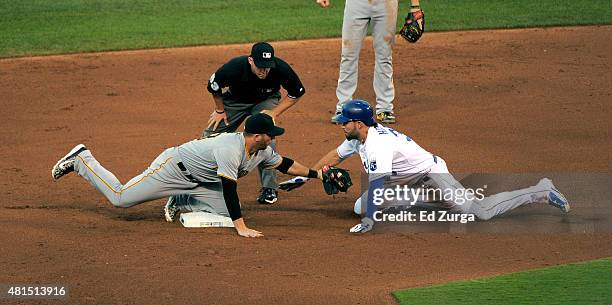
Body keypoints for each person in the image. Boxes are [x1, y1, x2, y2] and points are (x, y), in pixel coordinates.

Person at [310, 100, 571, 233]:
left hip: (431, 176)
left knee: (478, 213)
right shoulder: (358, 138)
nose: (340, 125)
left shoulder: (378, 144)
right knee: (359, 206)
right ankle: (412, 200)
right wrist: (307, 176)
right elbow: (335, 156)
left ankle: (540, 191)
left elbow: (378, 183)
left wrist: (369, 221)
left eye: (344, 122)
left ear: (359, 124)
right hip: (406, 181)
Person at [51, 113, 322, 238]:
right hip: (174, 168)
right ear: (257, 136)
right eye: (271, 135)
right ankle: (82, 160)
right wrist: (241, 228)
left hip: (200, 180)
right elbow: (229, 188)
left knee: (233, 210)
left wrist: (317, 175)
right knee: (121, 198)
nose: (274, 139)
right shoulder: (231, 148)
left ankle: (180, 199)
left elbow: (285, 164)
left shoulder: (262, 150)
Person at [205, 41, 306, 205]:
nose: (264, 71)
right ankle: (204, 184)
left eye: (267, 66)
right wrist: (220, 110)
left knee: (267, 137)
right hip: (235, 101)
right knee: (210, 135)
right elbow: (213, 86)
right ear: (251, 60)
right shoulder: (235, 67)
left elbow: (297, 92)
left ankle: (269, 188)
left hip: (265, 101)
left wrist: (274, 112)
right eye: (260, 66)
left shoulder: (280, 68)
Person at [317, 0, 422, 124]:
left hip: (386, 4)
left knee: (384, 56)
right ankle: (343, 107)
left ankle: (385, 108)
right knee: (348, 54)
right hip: (356, 3)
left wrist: (415, 5)